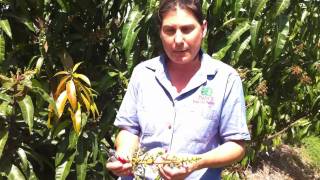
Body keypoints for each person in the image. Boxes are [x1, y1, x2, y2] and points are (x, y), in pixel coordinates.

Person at [106, 0, 250, 179]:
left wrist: (196, 162)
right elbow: (129, 129)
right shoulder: (143, 74)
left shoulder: (225, 79)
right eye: (170, 30)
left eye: (187, 29)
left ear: (203, 28)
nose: (178, 40)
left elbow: (236, 145)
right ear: (160, 32)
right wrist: (125, 155)